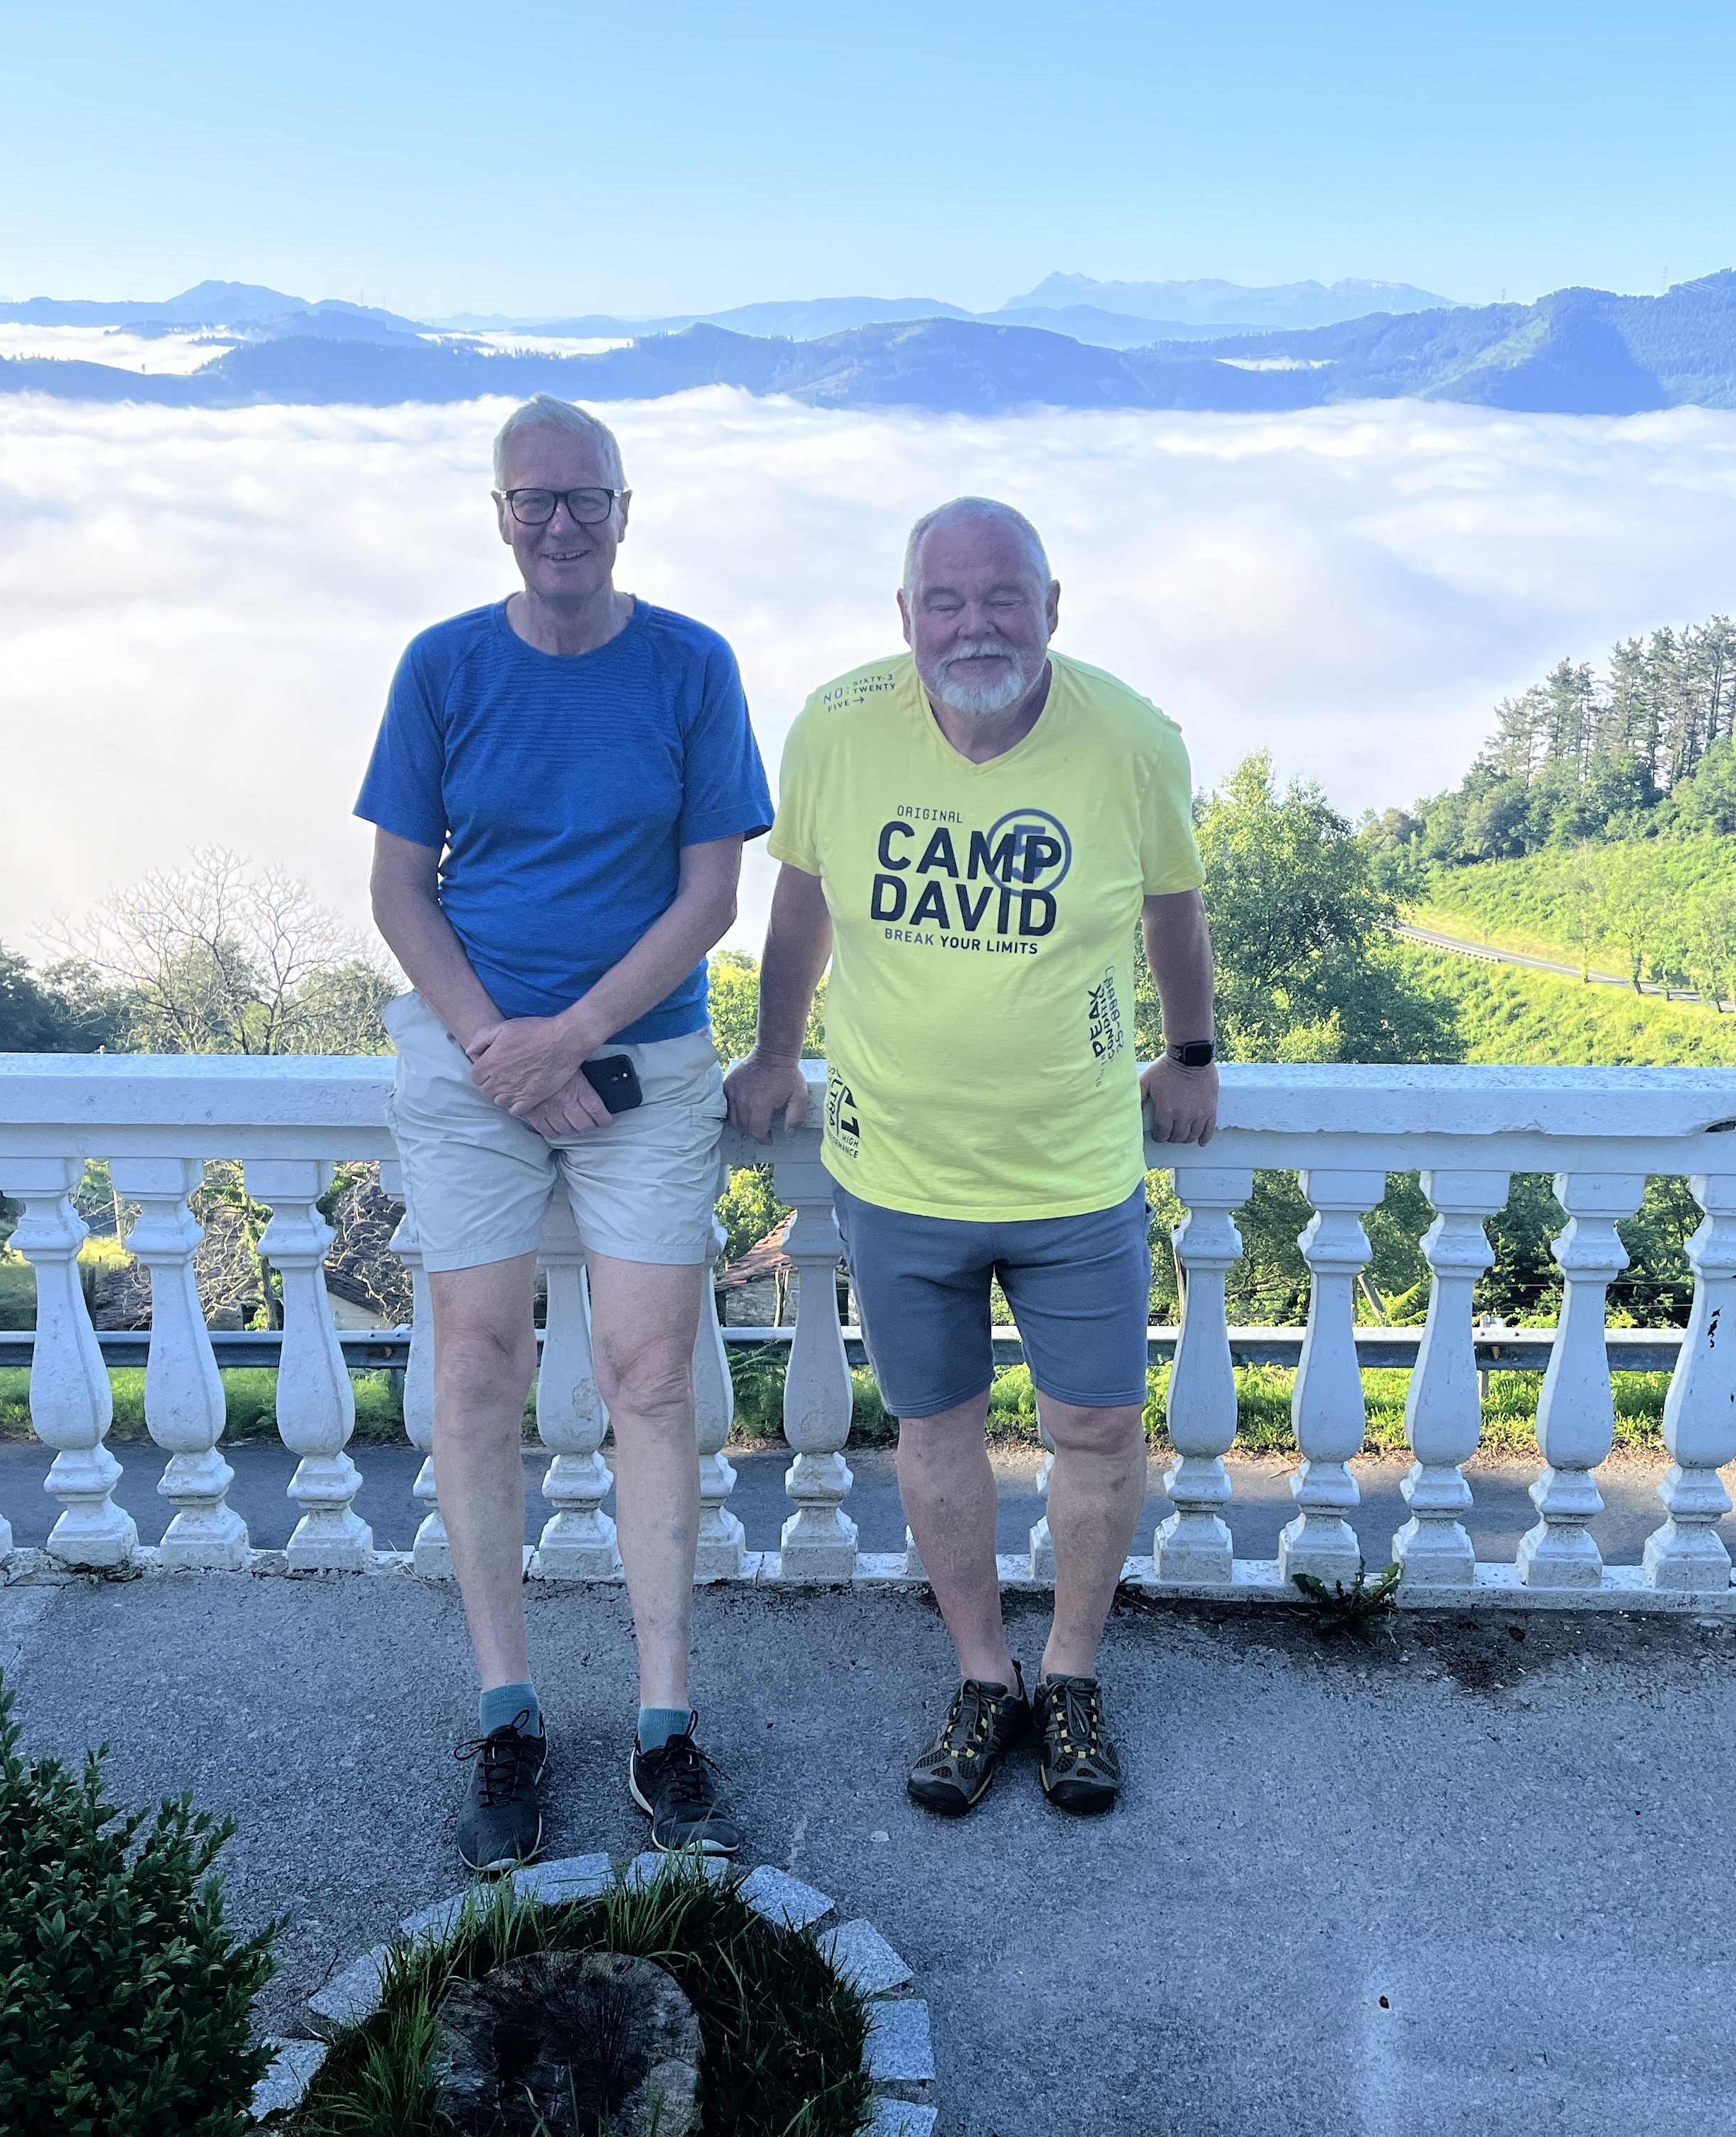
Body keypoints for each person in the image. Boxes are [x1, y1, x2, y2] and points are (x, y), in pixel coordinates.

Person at [724, 495, 1219, 1819]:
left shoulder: (1132, 740)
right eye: (944, 601)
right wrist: (774, 1052)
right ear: (906, 616)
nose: (974, 625)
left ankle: (1072, 1675)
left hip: (1075, 1171)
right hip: (896, 1172)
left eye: (1004, 597)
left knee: (1097, 1430)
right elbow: (799, 905)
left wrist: (1192, 1052)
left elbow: (1173, 906)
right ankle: (983, 1676)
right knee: (936, 1430)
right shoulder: (837, 727)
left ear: (1052, 606)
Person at [358, 394, 772, 1868]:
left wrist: (569, 1039)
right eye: (532, 499)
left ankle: (665, 1719)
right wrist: (504, 1050)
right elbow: (400, 889)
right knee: (478, 1364)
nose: (559, 522)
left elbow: (711, 897)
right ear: (499, 515)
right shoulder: (443, 666)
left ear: (625, 508)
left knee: (650, 1374)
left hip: (641, 1057)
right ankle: (508, 1712)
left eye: (584, 496)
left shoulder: (692, 665)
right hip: (474, 1056)